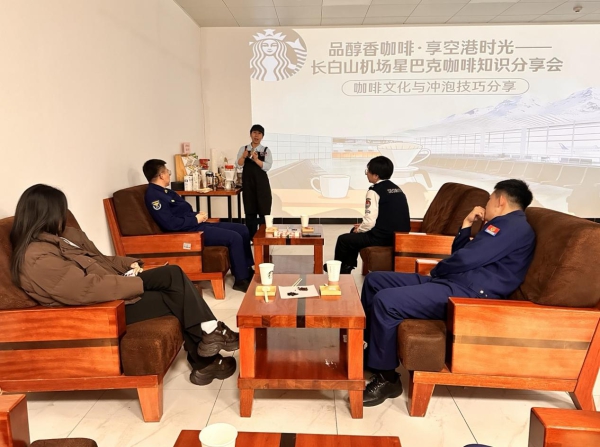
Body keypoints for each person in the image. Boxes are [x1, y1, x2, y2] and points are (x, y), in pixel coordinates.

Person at [10, 184, 239, 386]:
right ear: (46, 215)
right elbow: (84, 289)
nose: (63, 217)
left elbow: (99, 260)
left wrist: (129, 263)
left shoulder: (62, 238)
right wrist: (131, 283)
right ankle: (206, 354)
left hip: (113, 287)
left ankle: (210, 337)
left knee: (172, 274)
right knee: (175, 296)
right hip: (102, 309)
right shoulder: (37, 257)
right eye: (60, 211)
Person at [361, 179, 536, 407]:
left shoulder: (512, 227)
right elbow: (462, 253)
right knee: (375, 281)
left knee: (386, 301)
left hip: (467, 295)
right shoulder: (501, 226)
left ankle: (387, 379)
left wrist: (438, 269)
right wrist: (466, 224)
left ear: (500, 200)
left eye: (489, 200)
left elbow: (466, 259)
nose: (486, 205)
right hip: (453, 282)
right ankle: (371, 352)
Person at [143, 159, 254, 292]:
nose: (169, 174)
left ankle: (246, 269)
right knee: (234, 237)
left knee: (242, 229)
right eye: (167, 172)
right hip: (189, 232)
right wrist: (195, 220)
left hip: (195, 225)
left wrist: (197, 215)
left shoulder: (165, 192)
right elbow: (170, 224)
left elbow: (181, 212)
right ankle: (241, 280)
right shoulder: (154, 196)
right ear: (161, 175)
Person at [328, 156, 410, 275]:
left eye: (368, 171)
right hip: (399, 236)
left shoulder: (374, 191)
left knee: (343, 239)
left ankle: (339, 270)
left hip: (383, 238)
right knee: (353, 232)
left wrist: (360, 228)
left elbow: (370, 221)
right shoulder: (397, 189)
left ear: (375, 175)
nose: (366, 174)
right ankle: (347, 266)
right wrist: (361, 227)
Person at [236, 124, 273, 241]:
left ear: (262, 136)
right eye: (254, 133)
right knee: (250, 211)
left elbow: (267, 166)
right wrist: (243, 157)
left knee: (264, 211)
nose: (256, 136)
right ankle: (251, 238)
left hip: (262, 186)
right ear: (250, 134)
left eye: (259, 133)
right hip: (248, 185)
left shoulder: (265, 150)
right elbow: (239, 165)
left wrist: (256, 159)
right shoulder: (243, 149)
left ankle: (263, 238)